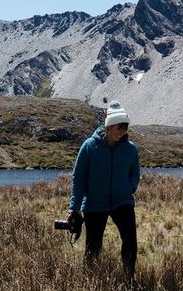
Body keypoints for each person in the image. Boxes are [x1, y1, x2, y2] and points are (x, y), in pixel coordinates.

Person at [67, 100, 141, 283]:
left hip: (122, 201)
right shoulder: (89, 146)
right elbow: (78, 177)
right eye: (119, 127)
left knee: (130, 239)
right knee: (93, 246)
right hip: (94, 203)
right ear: (108, 126)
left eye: (125, 127)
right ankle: (90, 281)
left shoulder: (131, 149)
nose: (122, 131)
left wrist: (130, 187)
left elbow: (135, 172)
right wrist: (73, 207)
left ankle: (129, 278)